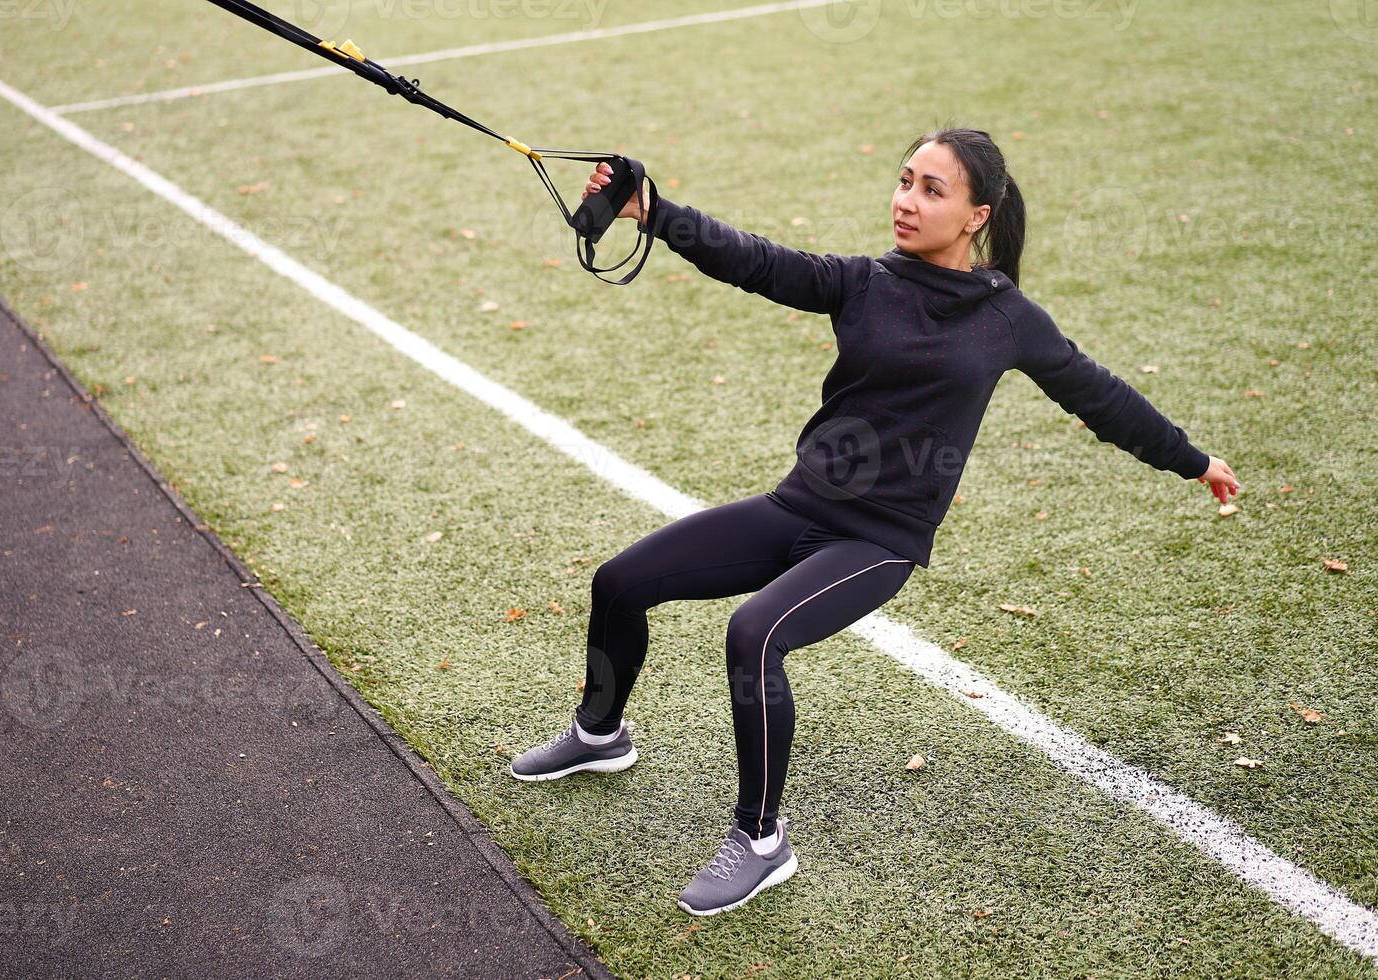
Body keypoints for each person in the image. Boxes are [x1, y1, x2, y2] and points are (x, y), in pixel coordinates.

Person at [509, 126, 1241, 917]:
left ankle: (759, 838)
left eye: (932, 189)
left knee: (755, 634)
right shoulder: (864, 282)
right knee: (620, 583)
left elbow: (1098, 395)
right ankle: (599, 734)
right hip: (798, 508)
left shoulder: (1007, 318)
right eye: (904, 181)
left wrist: (1191, 459)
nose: (907, 200)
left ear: (975, 216)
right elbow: (753, 260)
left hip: (877, 540)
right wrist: (651, 210)